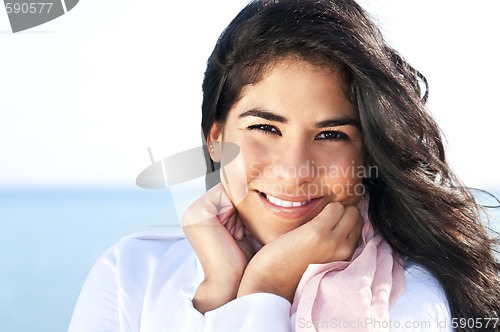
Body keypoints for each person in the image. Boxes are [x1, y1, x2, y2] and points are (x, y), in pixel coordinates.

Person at [69, 0, 500, 331]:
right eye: (265, 128)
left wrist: (264, 290)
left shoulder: (411, 297)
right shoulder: (131, 272)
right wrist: (218, 292)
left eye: (331, 135)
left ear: (366, 153)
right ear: (215, 139)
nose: (295, 170)